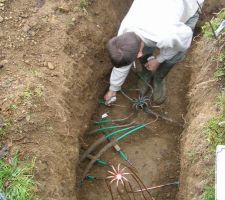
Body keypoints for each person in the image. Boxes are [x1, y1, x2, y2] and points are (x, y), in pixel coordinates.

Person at [104, 0, 204, 105]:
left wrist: (159, 59)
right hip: (160, 9)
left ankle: (159, 79)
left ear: (139, 54)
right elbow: (123, 60)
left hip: (189, 6)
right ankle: (146, 72)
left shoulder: (167, 35)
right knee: (146, 47)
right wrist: (113, 89)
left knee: (176, 54)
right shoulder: (125, 31)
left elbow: (185, 39)